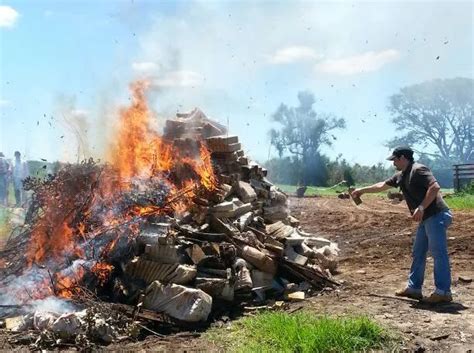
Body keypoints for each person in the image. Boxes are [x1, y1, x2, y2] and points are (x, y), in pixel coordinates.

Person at [351, 146, 453, 304]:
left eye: (395, 160)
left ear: (403, 158)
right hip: (426, 218)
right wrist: (361, 190)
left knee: (438, 253)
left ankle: (443, 292)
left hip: (436, 215)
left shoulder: (418, 169)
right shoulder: (401, 175)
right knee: (418, 252)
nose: (393, 163)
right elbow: (381, 186)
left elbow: (435, 187)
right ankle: (414, 288)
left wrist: (421, 207)